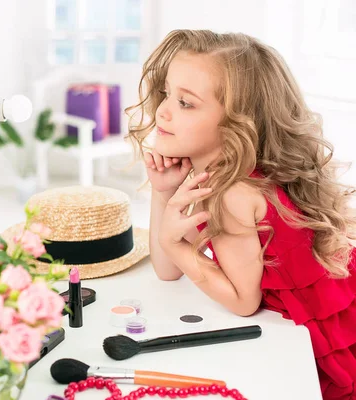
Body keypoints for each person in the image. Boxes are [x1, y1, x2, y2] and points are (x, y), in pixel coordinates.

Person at [128, 29, 356, 399]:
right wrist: (164, 190)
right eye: (167, 93)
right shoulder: (221, 172)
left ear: (237, 121)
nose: (163, 110)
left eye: (186, 103)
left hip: (327, 335)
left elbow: (243, 301)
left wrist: (176, 241)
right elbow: (168, 270)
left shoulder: (233, 192)